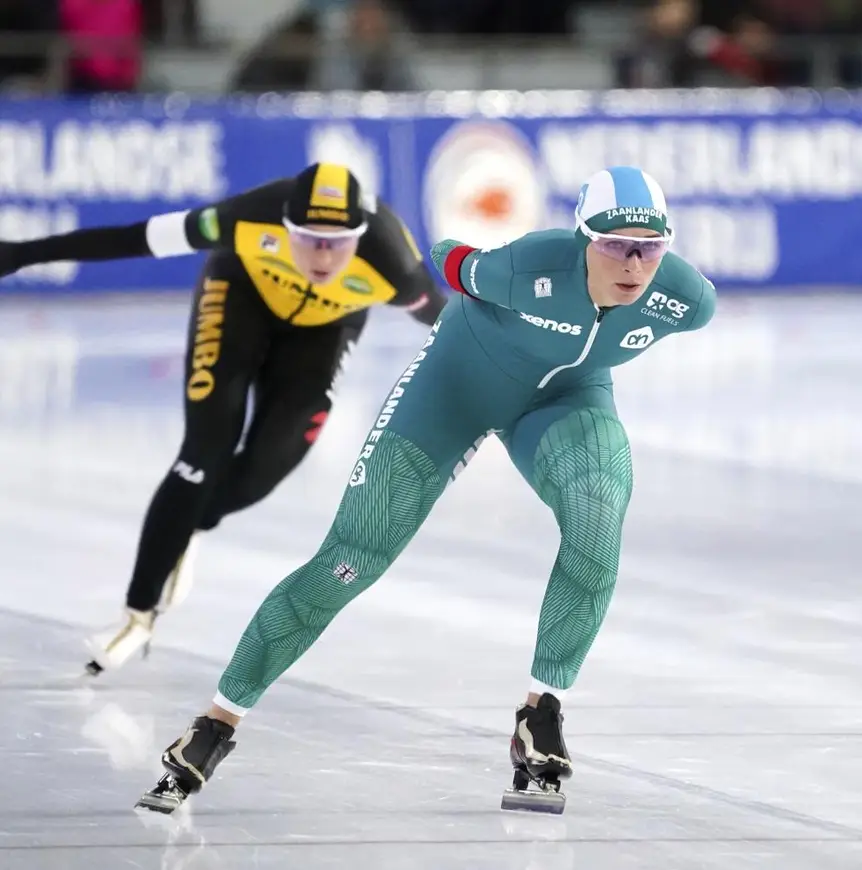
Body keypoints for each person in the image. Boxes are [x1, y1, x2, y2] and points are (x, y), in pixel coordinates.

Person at [133, 164, 717, 816]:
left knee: (597, 522)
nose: (634, 263)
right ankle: (216, 723)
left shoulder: (686, 299)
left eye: (649, 247)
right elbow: (446, 256)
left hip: (564, 400)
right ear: (583, 238)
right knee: (351, 558)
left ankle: (541, 712)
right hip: (453, 390)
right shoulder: (528, 267)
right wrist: (450, 276)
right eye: (615, 245)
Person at [0, 162, 445, 675]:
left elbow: (453, 324)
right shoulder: (246, 216)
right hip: (240, 298)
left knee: (264, 470)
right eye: (308, 240)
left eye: (338, 243)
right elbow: (136, 239)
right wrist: (22, 253)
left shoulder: (394, 265)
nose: (323, 256)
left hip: (324, 330)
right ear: (284, 225)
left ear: (361, 236)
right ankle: (138, 613)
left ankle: (191, 524)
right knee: (204, 450)